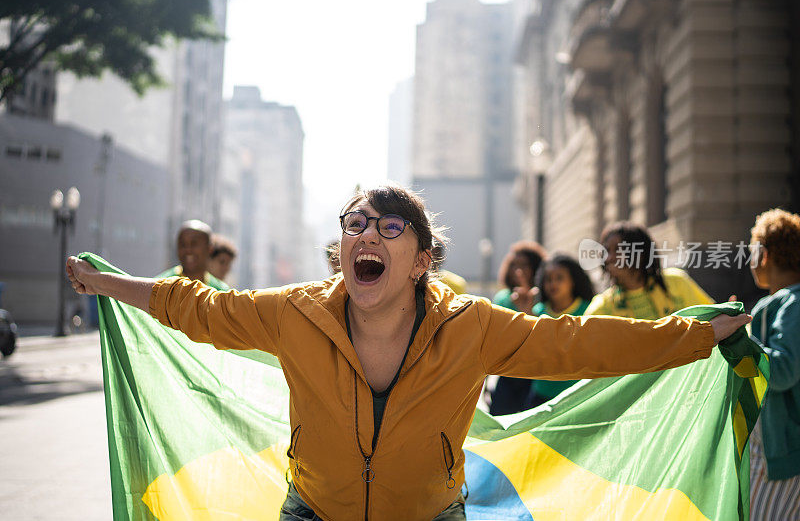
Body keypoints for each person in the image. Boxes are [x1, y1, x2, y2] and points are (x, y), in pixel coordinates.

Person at [65, 185, 748, 521]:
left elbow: (578, 345)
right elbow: (200, 309)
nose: (367, 234)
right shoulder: (294, 312)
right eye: (356, 224)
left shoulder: (472, 325)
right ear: (343, 250)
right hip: (313, 512)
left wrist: (694, 336)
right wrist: (107, 283)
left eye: (390, 228)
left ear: (420, 260)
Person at [746, 208, 800, 520]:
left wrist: (739, 338)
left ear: (763, 254)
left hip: (780, 456)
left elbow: (781, 371)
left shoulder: (794, 303)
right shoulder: (786, 302)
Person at [585, 221, 713, 319]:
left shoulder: (677, 282)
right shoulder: (602, 307)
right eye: (606, 251)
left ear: (641, 254)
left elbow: (711, 317)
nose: (609, 258)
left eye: (618, 249)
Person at [489, 240, 547, 415]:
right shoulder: (503, 298)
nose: (518, 271)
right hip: (507, 373)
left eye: (524, 265)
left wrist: (528, 310)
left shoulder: (544, 298)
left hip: (535, 376)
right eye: (514, 265)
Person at [528, 253, 595, 406]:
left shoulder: (588, 310)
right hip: (541, 393)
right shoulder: (536, 312)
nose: (553, 284)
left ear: (573, 281)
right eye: (548, 279)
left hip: (576, 395)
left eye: (559, 278)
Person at [158, 220, 228, 291]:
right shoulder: (160, 287)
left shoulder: (221, 292)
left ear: (209, 249)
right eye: (183, 244)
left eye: (194, 244)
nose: (188, 250)